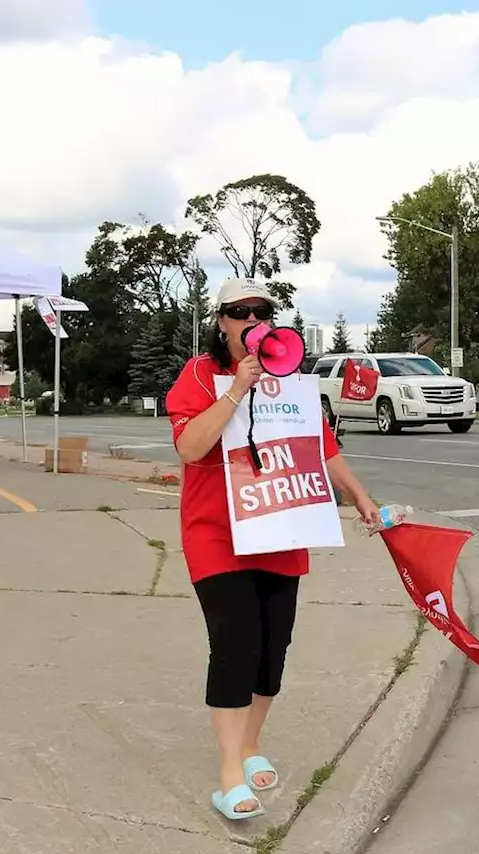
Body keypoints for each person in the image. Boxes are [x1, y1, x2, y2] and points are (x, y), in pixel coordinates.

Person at [165, 277, 380, 822]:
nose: (250, 320)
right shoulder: (199, 376)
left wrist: (359, 496)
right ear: (221, 321)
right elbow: (191, 448)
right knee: (235, 644)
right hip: (217, 535)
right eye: (238, 312)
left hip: (279, 528)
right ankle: (230, 772)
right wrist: (236, 389)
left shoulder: (292, 379)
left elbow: (321, 447)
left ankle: (250, 744)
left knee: (271, 651)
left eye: (261, 311)